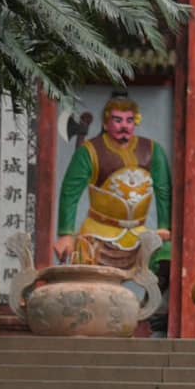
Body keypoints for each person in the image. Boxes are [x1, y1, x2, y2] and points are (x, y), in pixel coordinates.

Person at [54, 91, 170, 276]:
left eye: (129, 120)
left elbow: (164, 190)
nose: (124, 126)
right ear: (106, 123)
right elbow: (70, 193)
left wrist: (164, 226)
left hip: (141, 235)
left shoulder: (153, 150)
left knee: (167, 259)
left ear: (135, 122)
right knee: (86, 279)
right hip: (98, 235)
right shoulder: (89, 152)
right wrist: (66, 234)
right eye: (118, 120)